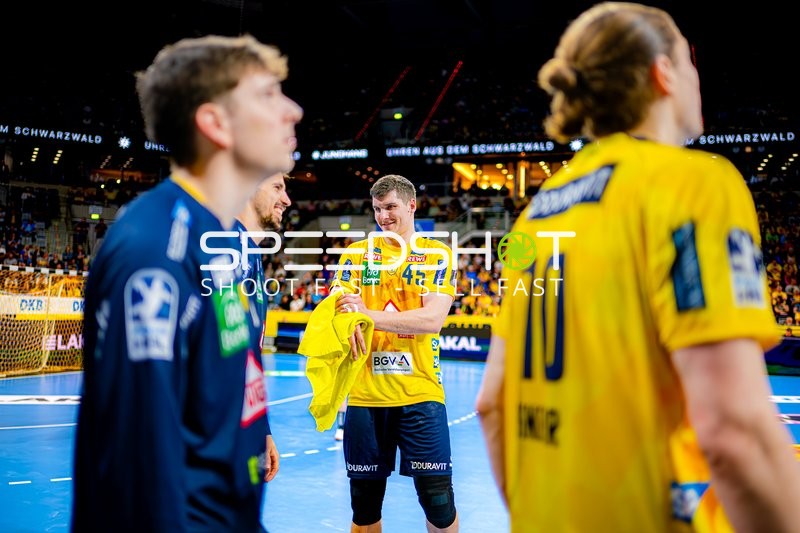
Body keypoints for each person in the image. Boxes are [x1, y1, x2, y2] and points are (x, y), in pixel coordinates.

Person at [476, 3, 800, 532]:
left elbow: (493, 402)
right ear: (664, 72)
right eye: (691, 63)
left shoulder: (536, 212)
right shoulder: (693, 183)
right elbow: (733, 429)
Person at [72, 34, 303, 532]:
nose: (293, 111)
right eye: (267, 96)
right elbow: (138, 466)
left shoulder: (222, 238)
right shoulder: (154, 249)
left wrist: (254, 430)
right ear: (215, 123)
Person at [333, 174, 459, 533]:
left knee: (439, 502)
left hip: (420, 393)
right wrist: (349, 319)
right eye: (376, 209)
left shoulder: (436, 254)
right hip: (365, 396)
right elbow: (338, 312)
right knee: (364, 507)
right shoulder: (355, 256)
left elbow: (432, 320)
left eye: (390, 207)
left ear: (411, 205)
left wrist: (366, 316)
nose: (383, 216)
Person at [234, 171, 292, 531]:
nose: (286, 199)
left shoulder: (249, 253)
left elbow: (245, 355)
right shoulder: (224, 249)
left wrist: (262, 429)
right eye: (277, 187)